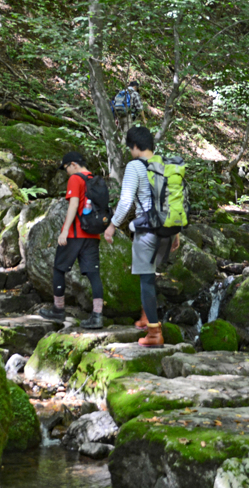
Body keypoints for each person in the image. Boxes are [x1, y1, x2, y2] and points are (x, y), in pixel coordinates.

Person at [103, 126, 179, 346]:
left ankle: (154, 333)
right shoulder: (164, 164)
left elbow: (126, 200)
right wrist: (176, 233)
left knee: (146, 279)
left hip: (147, 230)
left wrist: (112, 226)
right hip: (166, 231)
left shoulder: (134, 166)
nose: (130, 151)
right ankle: (147, 317)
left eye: (130, 148)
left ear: (135, 146)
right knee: (151, 275)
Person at [39, 152, 107, 328]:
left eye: (66, 168)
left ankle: (58, 310)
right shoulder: (95, 179)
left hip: (75, 233)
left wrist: (65, 231)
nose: (66, 172)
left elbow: (74, 205)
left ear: (73, 164)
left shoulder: (76, 179)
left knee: (59, 269)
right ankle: (97, 316)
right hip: (93, 234)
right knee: (93, 274)